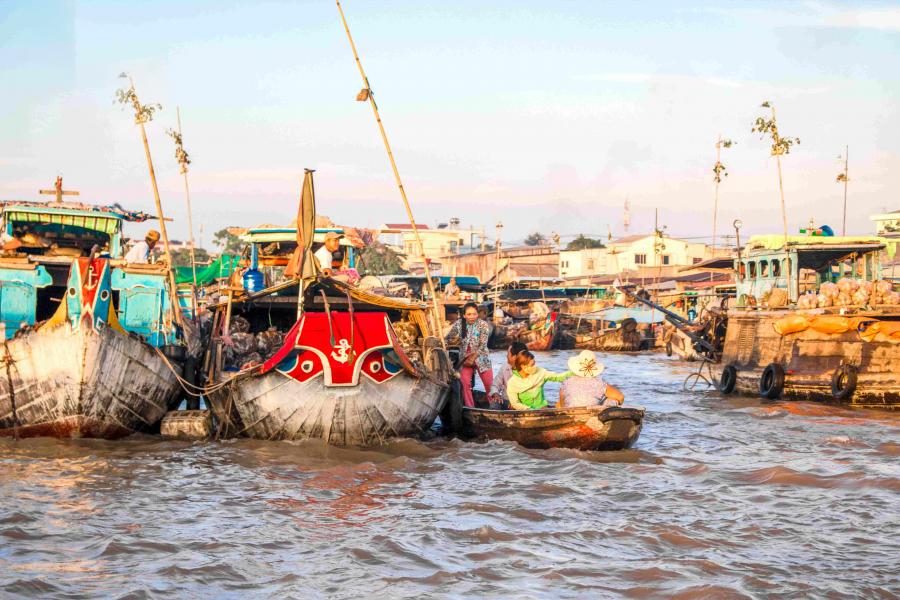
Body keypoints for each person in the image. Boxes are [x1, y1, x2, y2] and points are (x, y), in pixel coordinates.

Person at [445, 301, 492, 408]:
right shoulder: (459, 324)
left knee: (489, 385)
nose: (472, 317)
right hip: (465, 360)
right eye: (469, 314)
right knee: (465, 384)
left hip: (482, 359)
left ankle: (494, 406)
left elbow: (483, 345)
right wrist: (445, 342)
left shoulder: (483, 325)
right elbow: (448, 338)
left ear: (478, 314)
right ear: (464, 315)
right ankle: (470, 408)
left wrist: (473, 357)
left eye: (474, 314)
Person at [558, 350, 624, 409]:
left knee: (559, 404)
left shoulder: (566, 382)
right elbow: (620, 397)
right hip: (591, 414)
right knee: (610, 400)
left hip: (571, 414)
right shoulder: (599, 383)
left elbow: (562, 405)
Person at [506, 351, 572, 410]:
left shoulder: (540, 372)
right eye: (532, 365)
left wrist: (573, 372)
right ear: (523, 366)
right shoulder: (512, 383)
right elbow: (515, 403)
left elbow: (558, 377)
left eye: (534, 364)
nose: (535, 367)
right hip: (525, 412)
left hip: (542, 408)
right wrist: (529, 410)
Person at [489, 341, 528, 409]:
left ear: (515, 357)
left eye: (508, 354)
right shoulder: (505, 367)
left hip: (524, 405)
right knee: (495, 403)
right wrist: (496, 394)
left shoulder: (529, 370)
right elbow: (495, 385)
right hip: (506, 402)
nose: (506, 356)